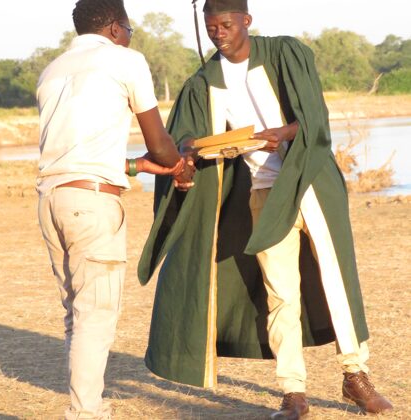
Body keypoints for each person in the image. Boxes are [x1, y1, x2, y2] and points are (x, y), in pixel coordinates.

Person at [137, 0, 393, 418]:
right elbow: (184, 137)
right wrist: (190, 150)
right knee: (281, 294)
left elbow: (314, 118)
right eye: (211, 27)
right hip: (263, 192)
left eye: (225, 24)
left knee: (336, 278)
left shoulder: (285, 52)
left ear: (246, 21)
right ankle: (293, 391)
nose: (218, 33)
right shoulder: (203, 81)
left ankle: (355, 376)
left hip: (309, 183)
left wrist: (284, 135)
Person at [36, 0, 194, 418]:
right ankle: (87, 413)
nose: (130, 36)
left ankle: (85, 407)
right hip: (92, 204)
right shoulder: (124, 60)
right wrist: (177, 163)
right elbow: (160, 141)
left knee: (77, 313)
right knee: (96, 315)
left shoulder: (53, 70)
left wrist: (136, 165)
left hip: (52, 199)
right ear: (113, 28)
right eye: (129, 29)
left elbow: (77, 148)